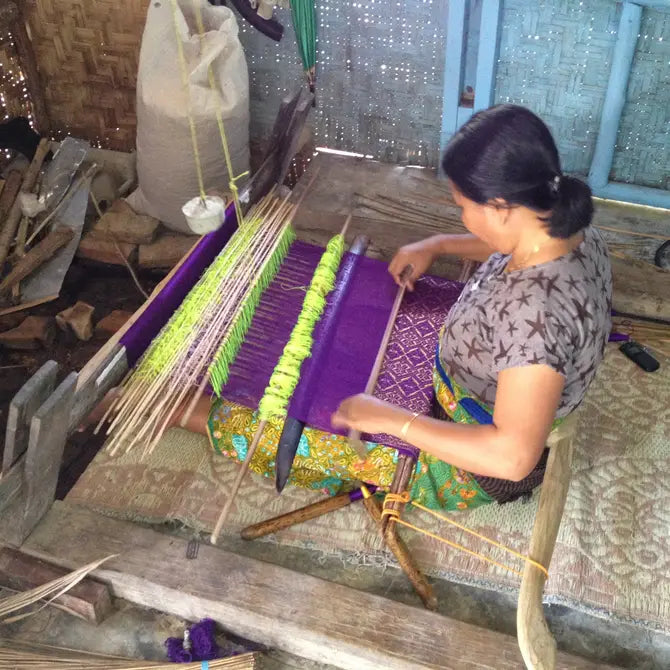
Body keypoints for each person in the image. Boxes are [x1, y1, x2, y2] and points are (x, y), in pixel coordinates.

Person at [89, 104, 612, 511]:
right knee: (371, 316)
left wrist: (393, 421)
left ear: (502, 207)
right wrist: (439, 244)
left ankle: (162, 403)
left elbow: (512, 457)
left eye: (463, 205)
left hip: (472, 461)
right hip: (477, 377)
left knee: (282, 434)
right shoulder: (569, 228)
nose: (459, 210)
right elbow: (511, 244)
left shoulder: (533, 324)